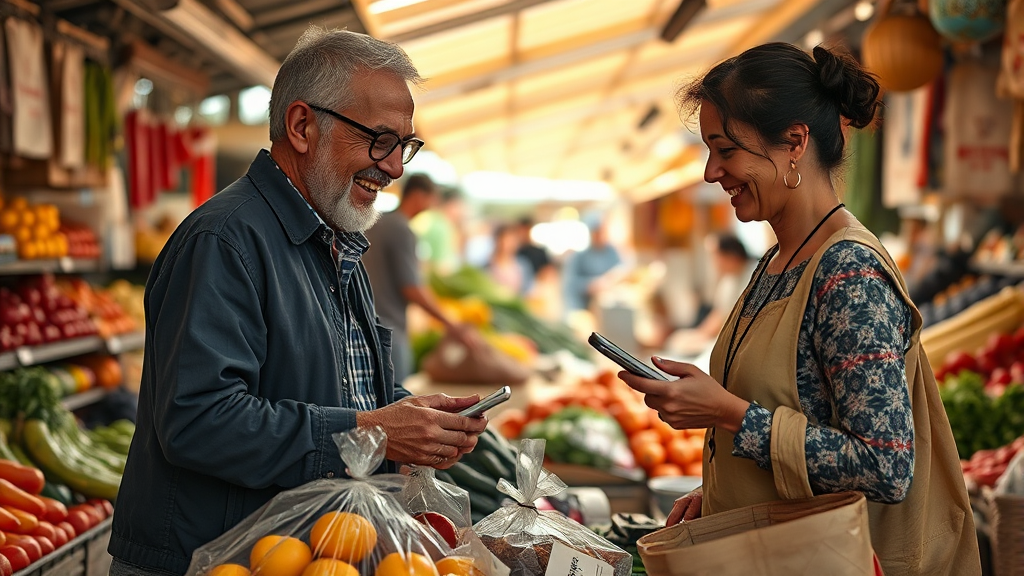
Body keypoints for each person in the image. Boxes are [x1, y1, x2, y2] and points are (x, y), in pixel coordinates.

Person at [108, 27, 487, 576]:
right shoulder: (224, 240)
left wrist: (415, 416)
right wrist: (372, 432)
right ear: (303, 126)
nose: (395, 167)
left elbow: (335, 385)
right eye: (379, 139)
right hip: (209, 561)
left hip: (293, 555)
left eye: (403, 145)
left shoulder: (335, 240)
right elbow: (198, 419)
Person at [616, 43, 979, 576]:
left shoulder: (849, 273)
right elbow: (805, 416)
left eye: (725, 149)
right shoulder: (777, 262)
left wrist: (726, 413)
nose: (711, 172)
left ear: (793, 142)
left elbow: (883, 465)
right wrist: (721, 494)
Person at [364, 173, 479, 385]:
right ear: (418, 196)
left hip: (366, 325)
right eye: (431, 199)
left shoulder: (378, 223)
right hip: (389, 331)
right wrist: (450, 323)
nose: (432, 206)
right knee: (394, 402)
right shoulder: (401, 229)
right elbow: (411, 288)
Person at [662, 233, 751, 356]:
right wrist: (698, 335)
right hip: (725, 337)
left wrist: (703, 338)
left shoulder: (755, 275)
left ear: (731, 255)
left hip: (744, 342)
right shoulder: (728, 281)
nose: (712, 262)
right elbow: (719, 315)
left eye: (715, 255)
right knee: (678, 341)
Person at [562, 220, 627, 312]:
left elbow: (622, 268)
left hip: (609, 304)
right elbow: (571, 284)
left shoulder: (612, 251)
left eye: (602, 232)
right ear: (591, 233)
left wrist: (615, 276)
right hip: (584, 306)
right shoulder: (580, 256)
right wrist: (590, 285)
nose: (600, 236)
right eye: (596, 233)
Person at [486, 223, 533, 296]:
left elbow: (528, 290)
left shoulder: (523, 264)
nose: (508, 244)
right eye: (504, 239)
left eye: (511, 240)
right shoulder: (487, 266)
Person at [515, 217, 553, 281]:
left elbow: (548, 271)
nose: (523, 234)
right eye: (521, 231)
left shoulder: (539, 252)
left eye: (525, 230)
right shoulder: (514, 253)